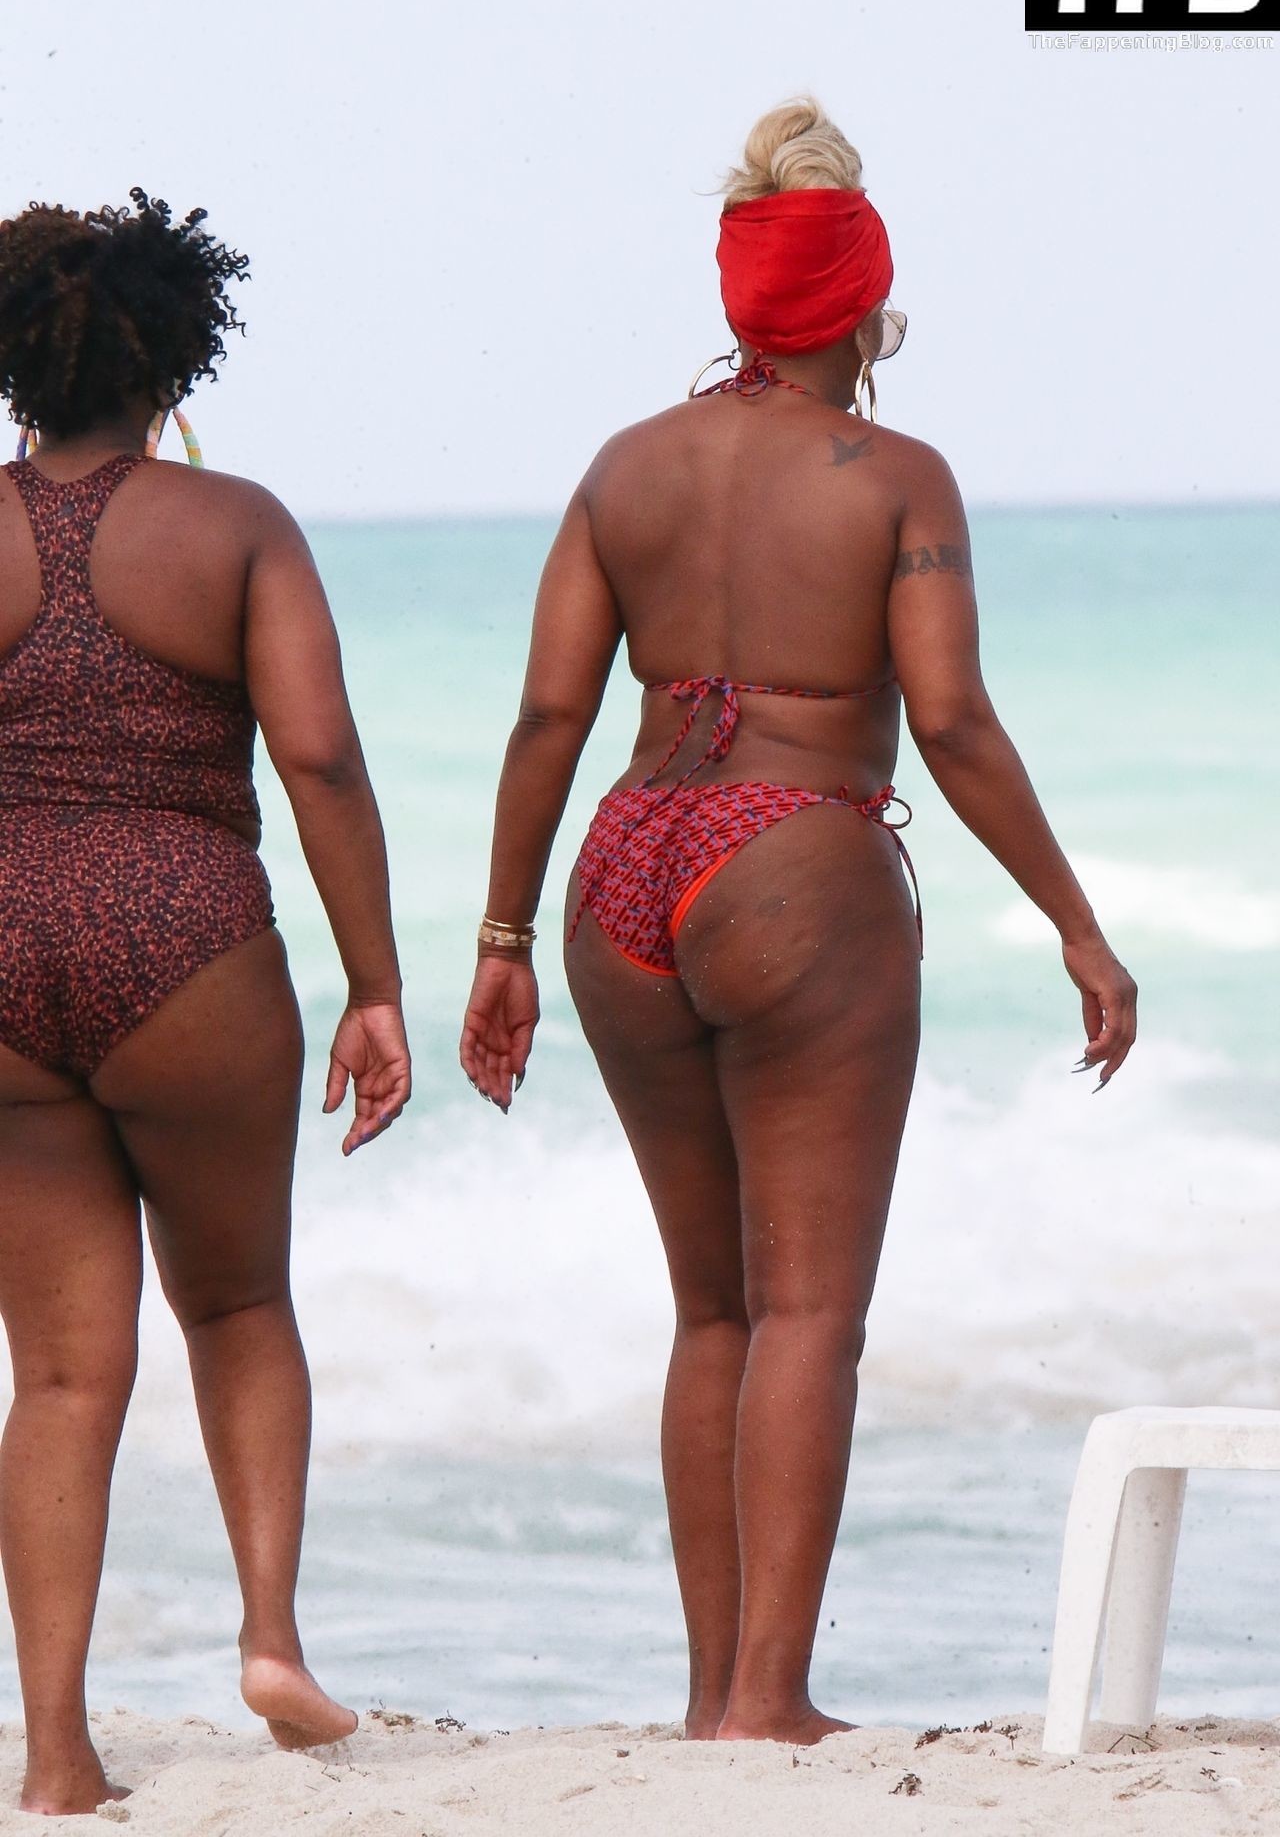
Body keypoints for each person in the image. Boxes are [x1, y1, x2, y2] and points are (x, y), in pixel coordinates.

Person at [460, 98, 1137, 1746]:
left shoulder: (625, 469)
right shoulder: (897, 478)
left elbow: (548, 717)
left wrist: (500, 939)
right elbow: (950, 720)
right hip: (793, 859)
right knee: (810, 1312)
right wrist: (1075, 923)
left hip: (625, 865)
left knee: (712, 1311)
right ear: (863, 301)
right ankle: (772, 1700)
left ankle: (713, 1696)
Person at [0, 190, 411, 1813]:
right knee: (236, 1308)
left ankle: (56, 1752)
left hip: (1, 946)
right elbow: (318, 758)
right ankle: (269, 1642)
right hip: (188, 941)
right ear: (175, 357)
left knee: (58, 1376)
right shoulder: (237, 526)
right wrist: (376, 982)